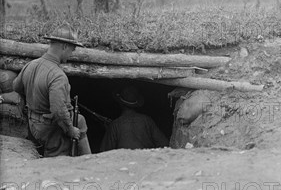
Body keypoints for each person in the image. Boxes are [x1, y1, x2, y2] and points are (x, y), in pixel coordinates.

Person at [13, 24, 92, 157]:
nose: (71, 54)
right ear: (64, 46)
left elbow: (16, 87)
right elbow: (58, 111)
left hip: (32, 125)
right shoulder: (58, 76)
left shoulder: (30, 65)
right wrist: (70, 130)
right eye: (72, 50)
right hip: (49, 130)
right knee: (57, 162)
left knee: (80, 119)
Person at [100, 85, 168, 151]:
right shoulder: (147, 120)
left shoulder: (115, 125)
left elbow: (104, 152)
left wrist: (109, 131)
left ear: (120, 104)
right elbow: (164, 143)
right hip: (147, 160)